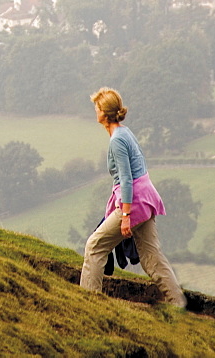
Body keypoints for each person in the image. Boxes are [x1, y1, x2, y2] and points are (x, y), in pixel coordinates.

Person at [80, 87, 187, 308]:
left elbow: (126, 179)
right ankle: (178, 304)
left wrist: (126, 215)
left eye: (97, 107)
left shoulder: (116, 140)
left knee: (95, 246)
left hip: (133, 202)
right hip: (146, 198)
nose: (94, 111)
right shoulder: (125, 132)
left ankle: (88, 303)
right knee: (151, 256)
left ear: (104, 113)